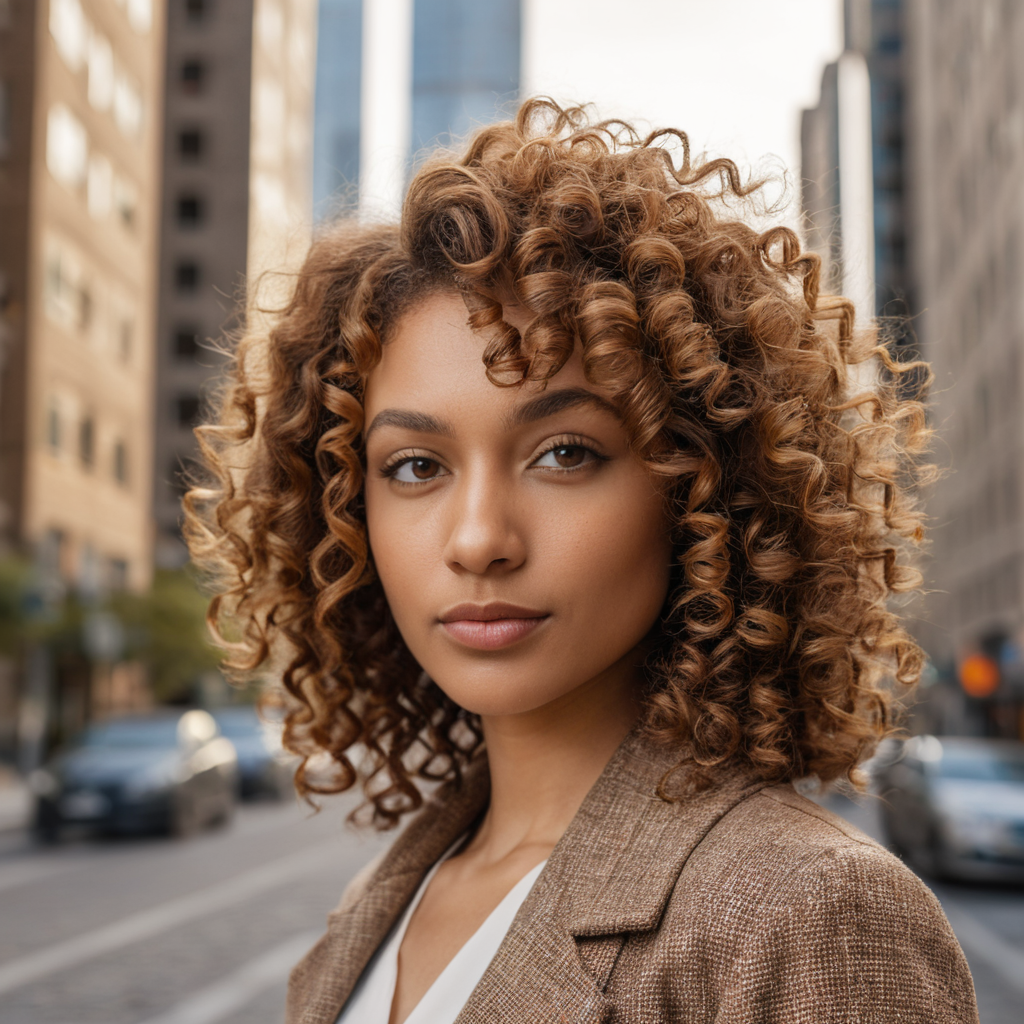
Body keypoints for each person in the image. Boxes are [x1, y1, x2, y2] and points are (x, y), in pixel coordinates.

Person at [185, 100, 978, 1024]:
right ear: (344, 512)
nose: (478, 538)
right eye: (415, 467)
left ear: (703, 486)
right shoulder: (379, 904)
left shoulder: (807, 914)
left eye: (564, 453)